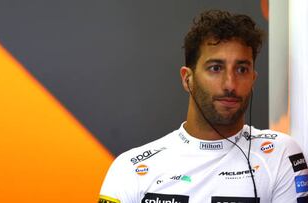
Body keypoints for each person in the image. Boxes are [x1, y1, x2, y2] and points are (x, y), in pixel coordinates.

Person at [99, 10, 308, 203]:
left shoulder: (281, 155)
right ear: (187, 79)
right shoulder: (131, 168)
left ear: (253, 78)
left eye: (242, 69)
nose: (230, 84)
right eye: (216, 68)